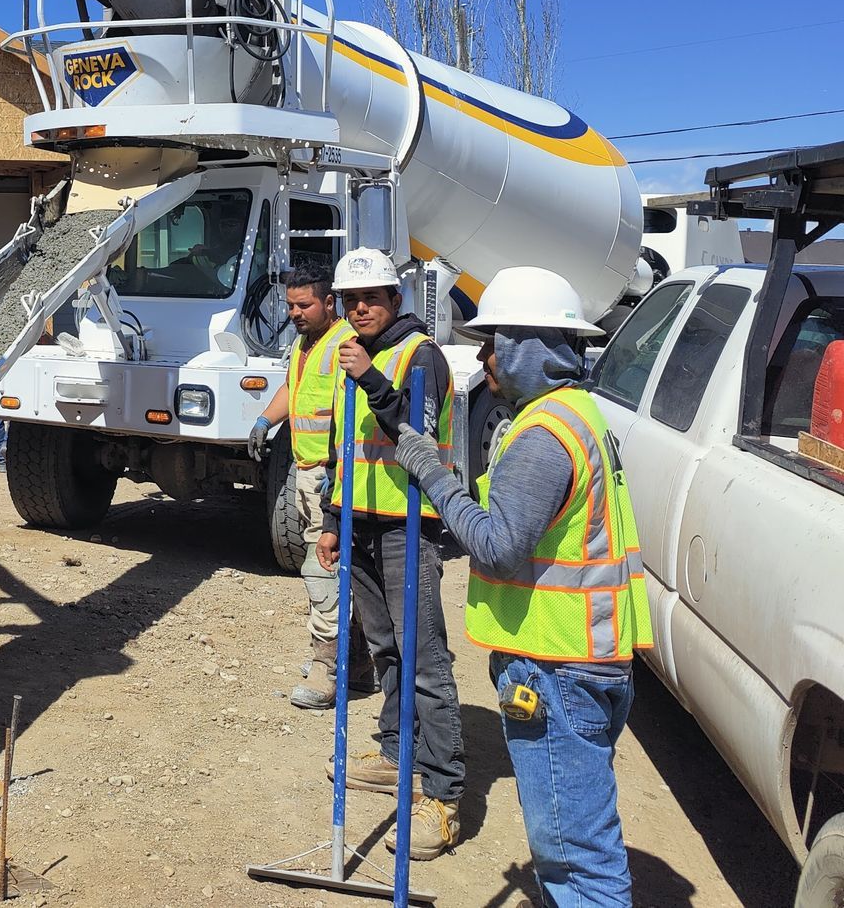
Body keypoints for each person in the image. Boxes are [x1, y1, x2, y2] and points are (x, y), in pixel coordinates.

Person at [393, 266, 652, 907]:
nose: (484, 358)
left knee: (575, 858)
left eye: (494, 343)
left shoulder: (543, 437)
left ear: (528, 346)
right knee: (574, 840)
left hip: (558, 668)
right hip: (590, 657)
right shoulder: (579, 414)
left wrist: (430, 472)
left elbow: (498, 549)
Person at [315, 247, 465, 860]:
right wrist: (332, 518)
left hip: (409, 523)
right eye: (350, 300)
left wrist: (370, 379)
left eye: (370, 298)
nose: (359, 309)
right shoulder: (355, 352)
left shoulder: (418, 354)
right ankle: (396, 752)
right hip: (360, 521)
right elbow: (343, 443)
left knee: (423, 656)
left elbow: (415, 432)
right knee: (384, 648)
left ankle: (443, 792)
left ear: (394, 300)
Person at [248, 263, 358, 710]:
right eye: (290, 305)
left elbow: (353, 415)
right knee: (339, 568)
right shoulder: (304, 344)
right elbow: (291, 390)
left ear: (329, 302)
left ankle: (327, 667)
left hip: (330, 476)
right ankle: (357, 663)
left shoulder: (345, 345)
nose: (294, 313)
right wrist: (265, 420)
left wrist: (336, 472)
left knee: (322, 569)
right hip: (308, 472)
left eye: (304, 305)